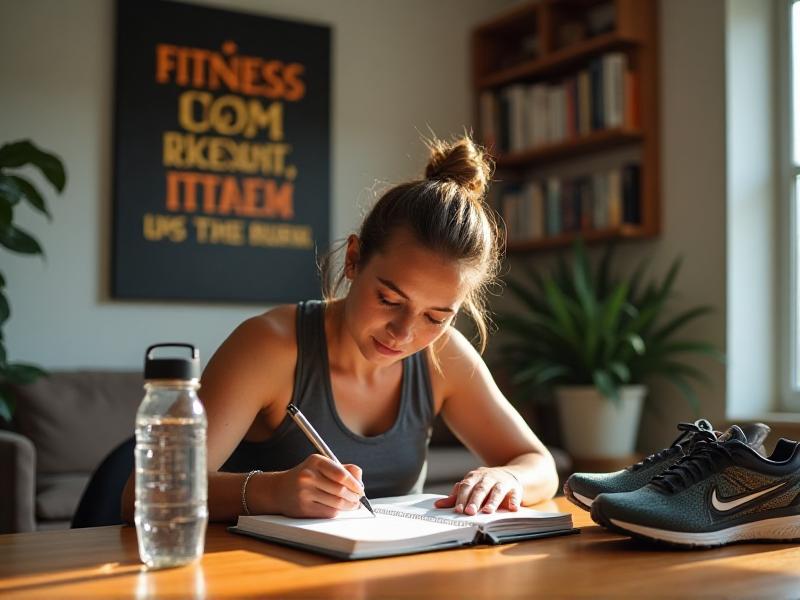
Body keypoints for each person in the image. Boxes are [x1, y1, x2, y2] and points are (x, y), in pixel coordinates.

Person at [122, 134, 558, 523]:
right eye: (389, 299)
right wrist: (270, 490)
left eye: (435, 317)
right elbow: (144, 495)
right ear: (353, 259)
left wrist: (507, 478)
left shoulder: (444, 356)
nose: (403, 333)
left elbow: (539, 464)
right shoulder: (269, 347)